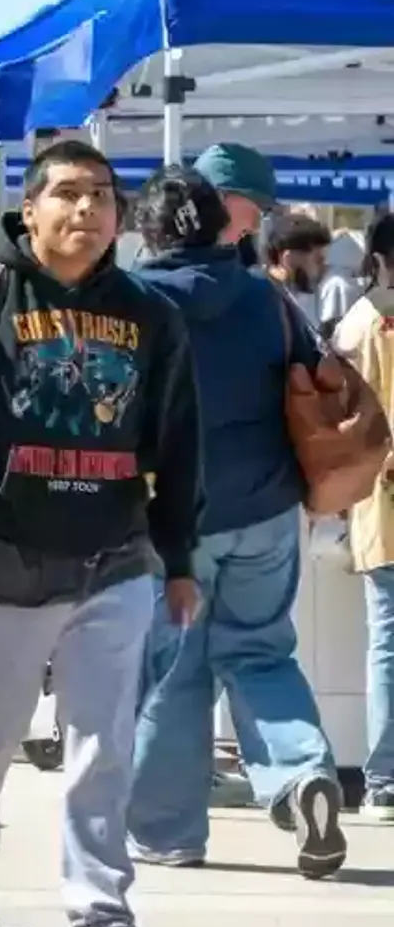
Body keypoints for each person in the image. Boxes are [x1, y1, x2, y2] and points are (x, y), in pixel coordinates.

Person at [0, 139, 201, 927]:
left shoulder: (149, 315)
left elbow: (177, 443)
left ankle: (100, 909)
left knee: (102, 744)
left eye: (102, 194)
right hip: (3, 556)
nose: (87, 210)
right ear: (30, 209)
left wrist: (176, 558)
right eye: (67, 193)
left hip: (116, 558)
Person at [129, 166, 346, 879]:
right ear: (222, 224)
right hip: (266, 507)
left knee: (172, 670)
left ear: (148, 230)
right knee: (261, 652)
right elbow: (317, 374)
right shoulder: (268, 297)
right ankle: (303, 771)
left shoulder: (135, 302)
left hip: (174, 520)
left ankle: (168, 831)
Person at [329, 213, 394, 825]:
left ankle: (384, 779)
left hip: (378, 504)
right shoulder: (368, 321)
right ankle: (383, 777)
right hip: (382, 503)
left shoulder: (358, 322)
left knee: (388, 644)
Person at [265, 213, 332, 326]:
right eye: (318, 260)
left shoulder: (300, 295)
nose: (324, 268)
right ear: (289, 259)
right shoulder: (265, 301)